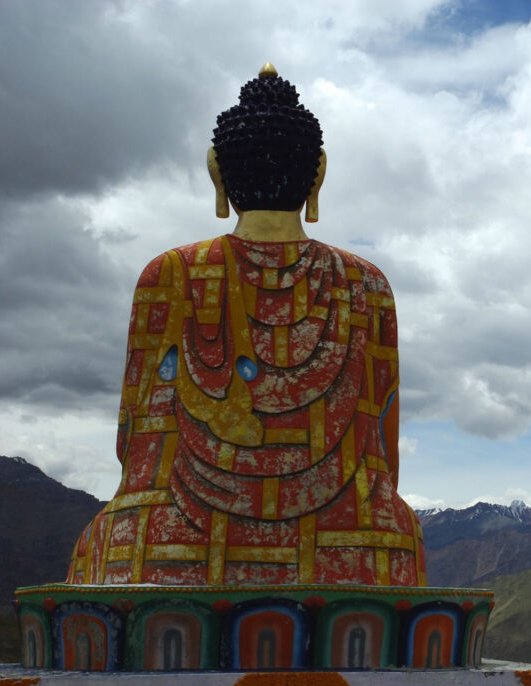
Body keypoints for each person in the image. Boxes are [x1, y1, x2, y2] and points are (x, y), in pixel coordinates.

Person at [67, 64, 426, 587]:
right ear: (318, 172)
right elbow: (385, 449)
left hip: (173, 532)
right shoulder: (367, 283)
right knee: (394, 527)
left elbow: (133, 436)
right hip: (352, 530)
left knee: (117, 535)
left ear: (216, 170)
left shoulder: (167, 274)